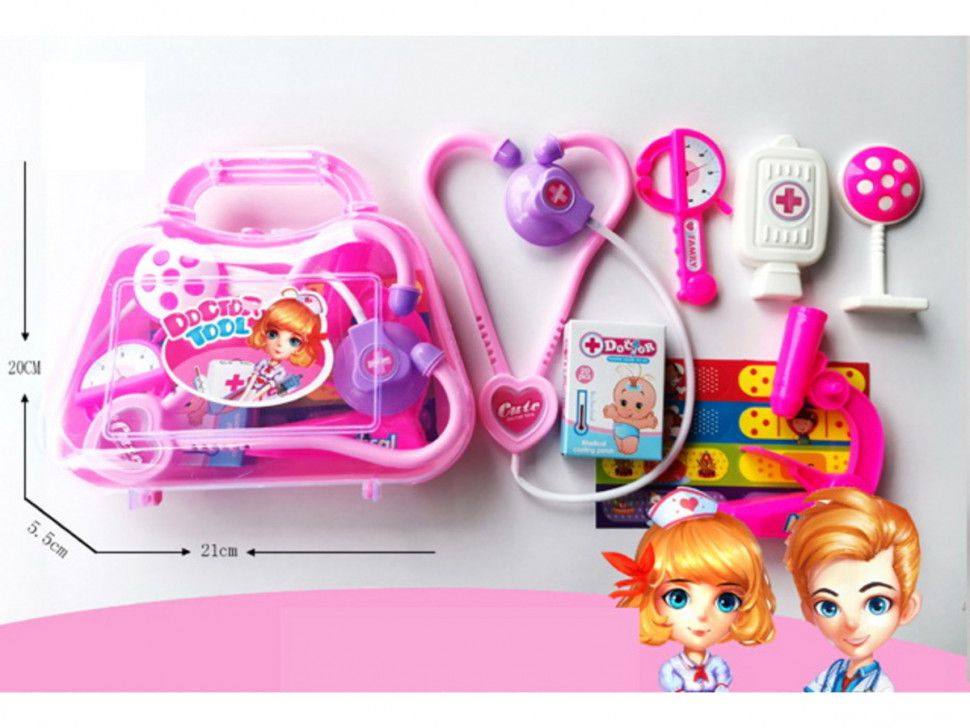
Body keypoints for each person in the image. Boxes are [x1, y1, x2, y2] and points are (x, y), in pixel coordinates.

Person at [604, 487, 776, 692]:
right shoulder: (671, 668)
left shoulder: (718, 665)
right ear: (649, 595)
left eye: (726, 601)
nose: (702, 615)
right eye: (678, 598)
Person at [784, 487, 922, 692]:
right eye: (828, 607)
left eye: (877, 604)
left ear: (907, 608)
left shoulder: (881, 687)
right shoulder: (833, 672)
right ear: (808, 612)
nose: (851, 623)